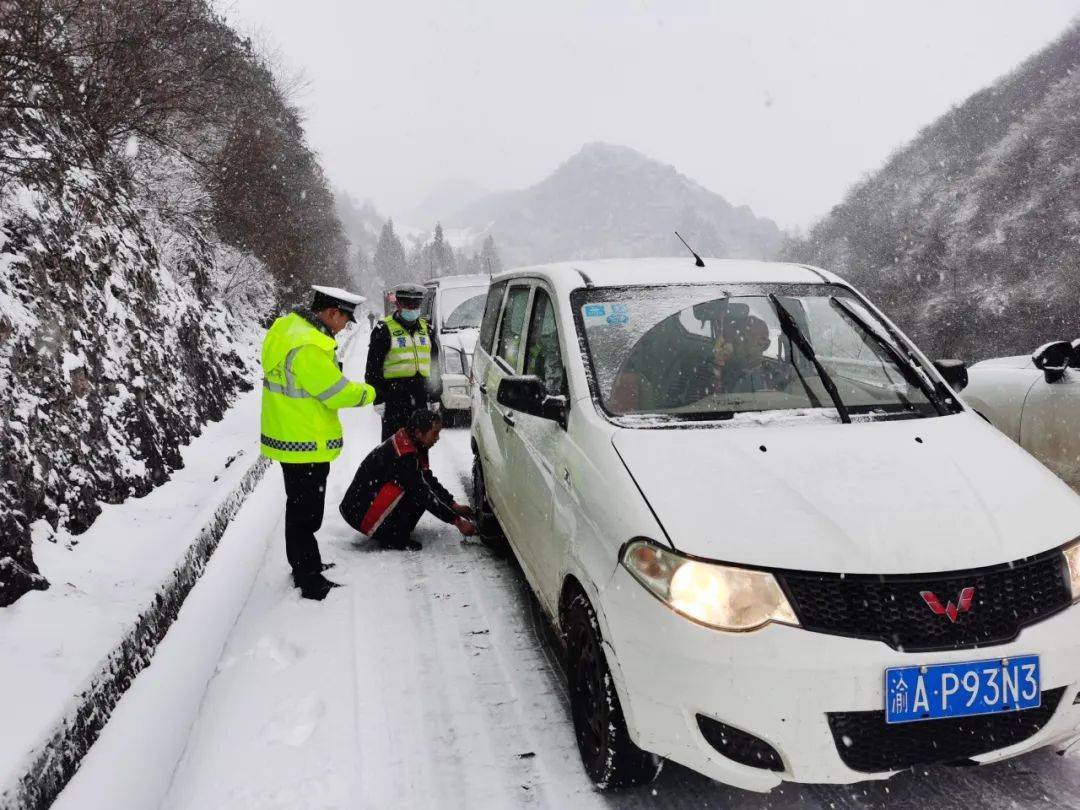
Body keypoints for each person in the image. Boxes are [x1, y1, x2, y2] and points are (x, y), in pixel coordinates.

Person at [261, 285, 376, 600]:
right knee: (305, 512)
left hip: (289, 433)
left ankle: (305, 564)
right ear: (332, 313)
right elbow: (334, 391)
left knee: (299, 507)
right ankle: (308, 578)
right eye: (345, 320)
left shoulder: (287, 328)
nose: (345, 327)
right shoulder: (309, 345)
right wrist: (371, 393)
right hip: (305, 440)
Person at [339, 409, 477, 550]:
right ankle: (393, 538)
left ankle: (394, 530)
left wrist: (453, 505)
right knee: (418, 495)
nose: (438, 438)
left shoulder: (414, 442)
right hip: (358, 513)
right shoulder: (405, 455)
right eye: (434, 433)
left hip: (361, 504)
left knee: (420, 488)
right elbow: (423, 494)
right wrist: (457, 521)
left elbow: (427, 478)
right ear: (418, 432)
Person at [365, 283, 441, 441]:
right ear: (397, 304)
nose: (412, 308)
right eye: (407, 304)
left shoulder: (427, 329)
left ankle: (420, 467)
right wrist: (378, 398)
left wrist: (435, 395)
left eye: (416, 304)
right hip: (394, 398)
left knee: (421, 445)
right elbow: (373, 369)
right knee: (394, 448)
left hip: (421, 398)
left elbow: (434, 366)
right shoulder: (383, 330)